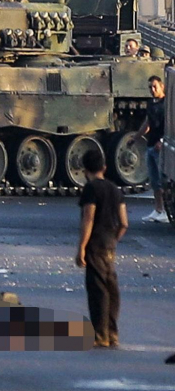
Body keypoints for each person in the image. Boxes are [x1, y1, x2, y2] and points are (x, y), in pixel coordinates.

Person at [76, 149, 128, 348]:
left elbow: (88, 218)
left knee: (98, 289)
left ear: (85, 170)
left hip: (95, 243)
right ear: (104, 167)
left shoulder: (91, 189)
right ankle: (113, 333)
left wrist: (81, 247)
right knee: (111, 287)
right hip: (110, 244)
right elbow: (124, 222)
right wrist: (114, 239)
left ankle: (100, 335)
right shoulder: (116, 190)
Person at [137, 75, 166, 222]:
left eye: (155, 86)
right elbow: (147, 123)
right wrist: (136, 137)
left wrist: (162, 140)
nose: (152, 89)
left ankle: (166, 212)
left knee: (163, 180)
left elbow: (171, 125)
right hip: (150, 145)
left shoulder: (166, 104)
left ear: (162, 87)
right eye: (150, 87)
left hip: (161, 147)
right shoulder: (151, 103)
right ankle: (158, 209)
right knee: (154, 181)